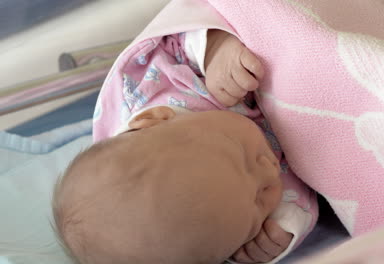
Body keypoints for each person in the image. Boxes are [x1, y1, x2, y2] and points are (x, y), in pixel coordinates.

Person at [52, 28, 318, 264]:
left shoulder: (155, 88)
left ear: (156, 119)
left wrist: (213, 50)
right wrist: (280, 233)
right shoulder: (224, 222)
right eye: (259, 200)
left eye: (241, 155)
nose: (269, 170)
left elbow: (170, 37)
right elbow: (303, 198)